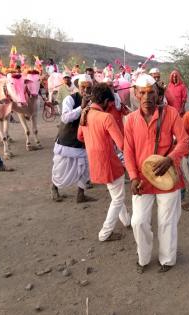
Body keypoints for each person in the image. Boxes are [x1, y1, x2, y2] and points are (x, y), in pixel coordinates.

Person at [124, 74, 189, 273]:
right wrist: (133, 177)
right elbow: (128, 151)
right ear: (135, 94)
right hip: (143, 180)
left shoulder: (171, 114)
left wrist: (170, 159)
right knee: (138, 221)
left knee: (167, 221)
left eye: (151, 92)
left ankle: (167, 259)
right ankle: (143, 258)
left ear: (158, 94)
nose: (146, 97)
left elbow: (185, 141)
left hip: (168, 177)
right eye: (142, 93)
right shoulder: (130, 120)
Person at [77, 83, 131, 241]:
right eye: (111, 102)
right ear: (107, 101)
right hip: (109, 162)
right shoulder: (106, 117)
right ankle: (105, 233)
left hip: (95, 161)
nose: (112, 105)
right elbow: (121, 144)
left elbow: (80, 137)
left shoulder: (86, 114)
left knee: (116, 195)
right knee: (118, 198)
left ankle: (127, 221)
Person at [51, 74, 95, 203]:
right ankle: (54, 188)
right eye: (83, 87)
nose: (86, 90)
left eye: (89, 87)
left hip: (85, 140)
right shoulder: (70, 99)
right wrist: (81, 107)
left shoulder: (94, 100)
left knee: (85, 167)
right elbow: (65, 118)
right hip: (68, 140)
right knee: (61, 167)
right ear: (78, 87)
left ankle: (80, 195)